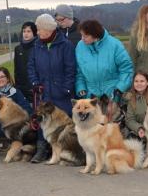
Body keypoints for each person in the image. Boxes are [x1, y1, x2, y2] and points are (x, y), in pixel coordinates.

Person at [27, 14, 76, 163]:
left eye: (39, 29)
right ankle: (42, 150)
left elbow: (71, 69)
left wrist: (66, 89)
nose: (37, 33)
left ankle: (70, 151)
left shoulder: (65, 45)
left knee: (64, 125)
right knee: (43, 121)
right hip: (44, 91)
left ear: (48, 30)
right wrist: (35, 82)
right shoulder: (37, 45)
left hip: (61, 92)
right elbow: (31, 66)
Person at [75, 19, 133, 101]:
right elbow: (79, 71)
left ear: (95, 35)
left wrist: (120, 89)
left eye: (85, 36)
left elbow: (126, 69)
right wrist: (81, 87)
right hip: (90, 96)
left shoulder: (115, 45)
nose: (82, 38)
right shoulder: (80, 46)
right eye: (81, 35)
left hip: (112, 95)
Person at [124, 71, 148, 140]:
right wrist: (139, 128)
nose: (139, 84)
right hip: (139, 132)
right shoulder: (131, 99)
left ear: (147, 82)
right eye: (136, 81)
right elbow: (130, 119)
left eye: (142, 81)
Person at [14, 21, 38, 103]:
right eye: (24, 31)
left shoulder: (38, 47)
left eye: (28, 31)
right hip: (21, 88)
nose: (26, 34)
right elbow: (16, 69)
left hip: (34, 87)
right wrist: (17, 86)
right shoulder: (18, 49)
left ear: (34, 32)